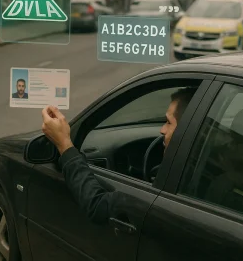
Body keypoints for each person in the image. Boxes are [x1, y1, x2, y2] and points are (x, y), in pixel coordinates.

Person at [40, 87, 196, 224]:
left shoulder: (176, 184)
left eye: (169, 122)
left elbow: (98, 206)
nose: (162, 130)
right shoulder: (202, 172)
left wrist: (64, 145)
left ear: (187, 131)